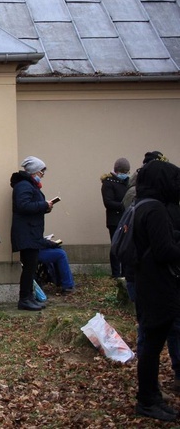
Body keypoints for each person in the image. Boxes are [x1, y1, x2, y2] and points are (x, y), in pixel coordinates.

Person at [132, 159, 180, 421]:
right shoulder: (156, 209)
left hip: (146, 283)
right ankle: (148, 400)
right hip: (158, 286)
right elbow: (164, 251)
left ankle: (150, 398)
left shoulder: (141, 205)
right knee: (151, 346)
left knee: (150, 344)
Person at [10, 156, 56, 311]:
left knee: (31, 267)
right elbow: (23, 206)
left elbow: (29, 206)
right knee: (29, 267)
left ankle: (29, 297)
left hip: (31, 232)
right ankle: (24, 298)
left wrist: (44, 207)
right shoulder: (24, 186)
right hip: (27, 233)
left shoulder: (27, 185)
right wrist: (43, 205)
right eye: (41, 172)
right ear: (34, 171)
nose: (42, 174)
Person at [101, 157, 130, 278]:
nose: (125, 174)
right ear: (118, 171)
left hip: (126, 219)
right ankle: (116, 273)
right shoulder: (108, 183)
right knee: (116, 246)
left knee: (126, 246)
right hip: (115, 220)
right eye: (123, 171)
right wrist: (124, 206)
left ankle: (126, 272)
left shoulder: (127, 182)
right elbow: (108, 202)